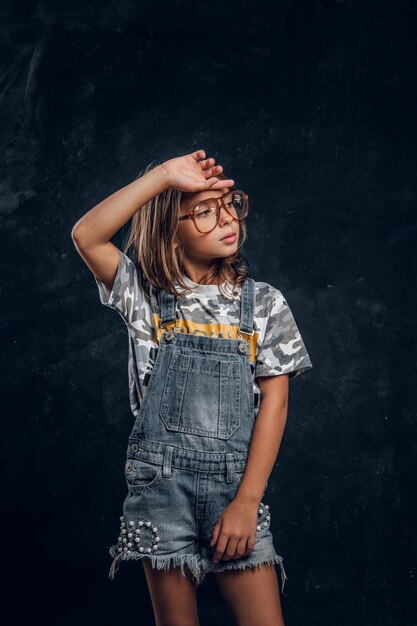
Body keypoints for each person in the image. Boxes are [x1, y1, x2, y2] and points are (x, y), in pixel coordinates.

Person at [71, 150, 313, 626]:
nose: (226, 218)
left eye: (230, 204)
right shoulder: (142, 296)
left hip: (236, 489)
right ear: (168, 228)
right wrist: (163, 177)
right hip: (161, 493)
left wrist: (246, 502)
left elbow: (276, 404)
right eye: (204, 210)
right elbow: (87, 234)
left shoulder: (263, 304)